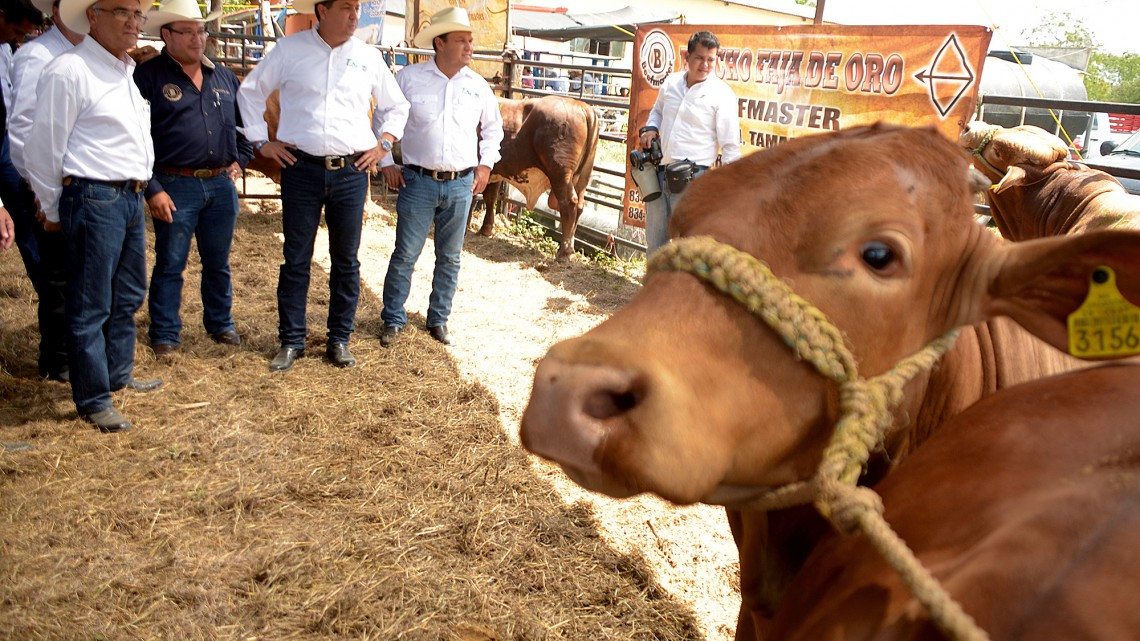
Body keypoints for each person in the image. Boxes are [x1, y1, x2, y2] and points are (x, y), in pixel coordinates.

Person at [238, 0, 408, 371]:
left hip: (350, 172)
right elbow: (249, 92)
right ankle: (291, 340)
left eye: (357, 8)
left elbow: (397, 106)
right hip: (301, 168)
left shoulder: (368, 57)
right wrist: (260, 141)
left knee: (346, 261)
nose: (354, 16)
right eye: (346, 7)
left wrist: (383, 145)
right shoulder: (289, 50)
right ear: (322, 10)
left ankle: (339, 339)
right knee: (296, 257)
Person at [24, 0, 163, 433]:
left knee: (126, 293)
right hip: (94, 194)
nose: (132, 22)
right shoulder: (69, 70)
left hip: (126, 196)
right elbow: (43, 147)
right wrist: (50, 207)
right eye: (120, 11)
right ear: (93, 16)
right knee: (90, 301)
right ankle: (93, 397)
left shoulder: (123, 72)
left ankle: (117, 375)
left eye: (137, 14)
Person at [378, 7, 503, 348]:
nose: (469, 46)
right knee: (405, 253)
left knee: (450, 256)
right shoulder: (408, 78)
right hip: (417, 179)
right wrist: (386, 159)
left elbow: (493, 131)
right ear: (440, 43)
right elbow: (384, 117)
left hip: (462, 182)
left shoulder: (478, 86)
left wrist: (485, 166)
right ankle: (392, 318)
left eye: (470, 40)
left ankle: (439, 319)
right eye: (461, 40)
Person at [134, 0, 252, 358]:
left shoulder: (224, 76)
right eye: (188, 32)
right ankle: (166, 332)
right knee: (171, 261)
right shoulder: (148, 76)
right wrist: (152, 188)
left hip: (220, 183)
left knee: (218, 260)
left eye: (200, 31)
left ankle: (220, 324)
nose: (198, 39)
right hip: (174, 183)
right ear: (166, 35)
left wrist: (241, 161)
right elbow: (135, 136)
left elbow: (244, 126)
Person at [7, 0, 83, 382]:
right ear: (57, 11)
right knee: (58, 277)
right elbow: (21, 129)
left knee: (87, 274)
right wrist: (40, 189)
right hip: (53, 185)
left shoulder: (93, 55)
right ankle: (58, 361)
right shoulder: (37, 54)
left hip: (87, 186)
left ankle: (80, 357)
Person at [637, 31, 741, 254]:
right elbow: (656, 112)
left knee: (689, 246)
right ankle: (656, 288)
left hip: (693, 180)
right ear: (687, 56)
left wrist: (732, 185)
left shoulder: (722, 95)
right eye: (700, 58)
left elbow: (731, 146)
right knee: (656, 242)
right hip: (659, 172)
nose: (705, 64)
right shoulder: (671, 83)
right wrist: (651, 129)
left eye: (711, 59)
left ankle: (682, 289)